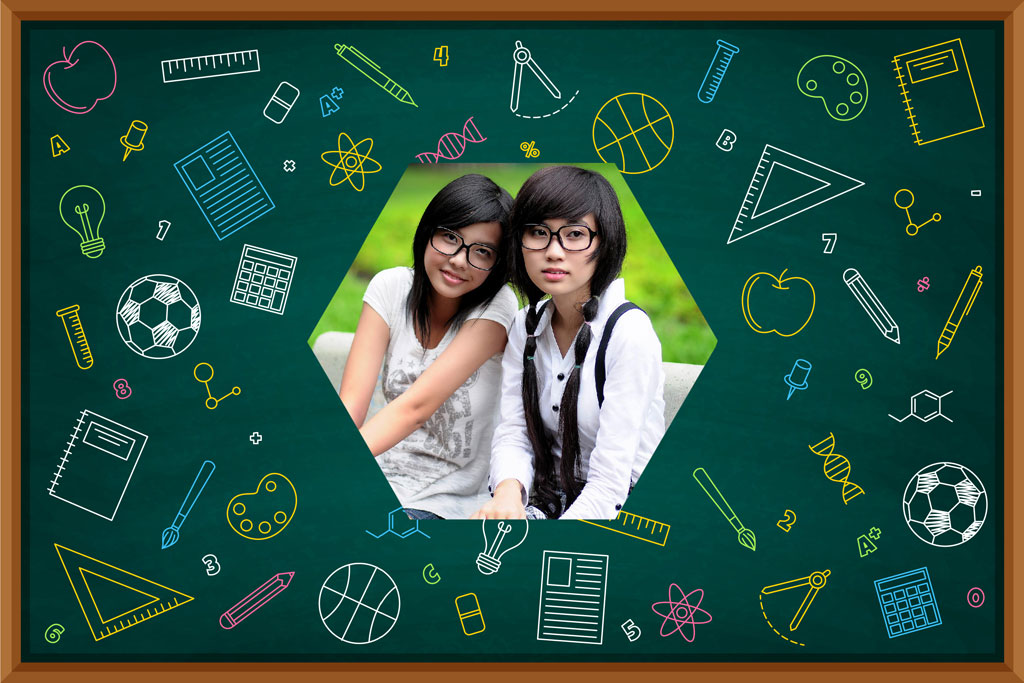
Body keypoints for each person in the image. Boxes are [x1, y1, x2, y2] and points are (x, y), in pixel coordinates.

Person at [472, 166, 666, 520]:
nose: (554, 251)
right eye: (537, 233)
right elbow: (515, 433)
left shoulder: (628, 333)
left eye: (574, 234)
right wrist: (507, 497)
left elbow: (610, 484)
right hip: (548, 500)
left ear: (604, 243)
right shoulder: (524, 326)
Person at [340, 173, 518, 520]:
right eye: (450, 238)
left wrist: (333, 467)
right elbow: (351, 405)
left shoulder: (498, 308)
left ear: (497, 264)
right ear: (427, 233)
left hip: (440, 500)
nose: (459, 260)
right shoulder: (389, 288)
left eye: (481, 251)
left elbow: (415, 407)